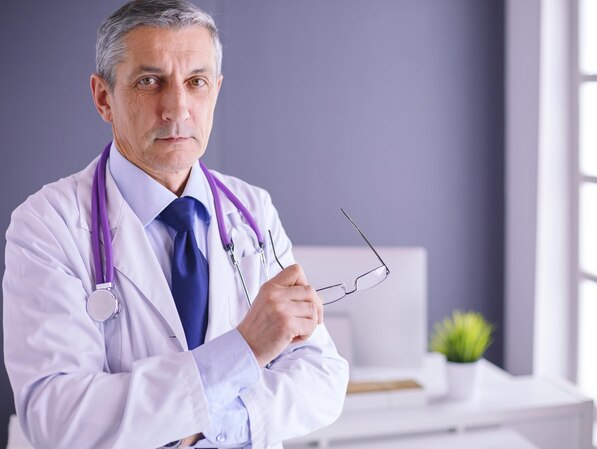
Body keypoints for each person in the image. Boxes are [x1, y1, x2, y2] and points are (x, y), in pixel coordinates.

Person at [2, 1, 348, 448]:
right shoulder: (47, 226)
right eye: (150, 82)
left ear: (216, 91)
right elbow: (60, 418)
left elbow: (322, 377)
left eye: (196, 82)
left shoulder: (252, 209)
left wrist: (210, 426)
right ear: (104, 98)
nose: (177, 109)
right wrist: (244, 350)